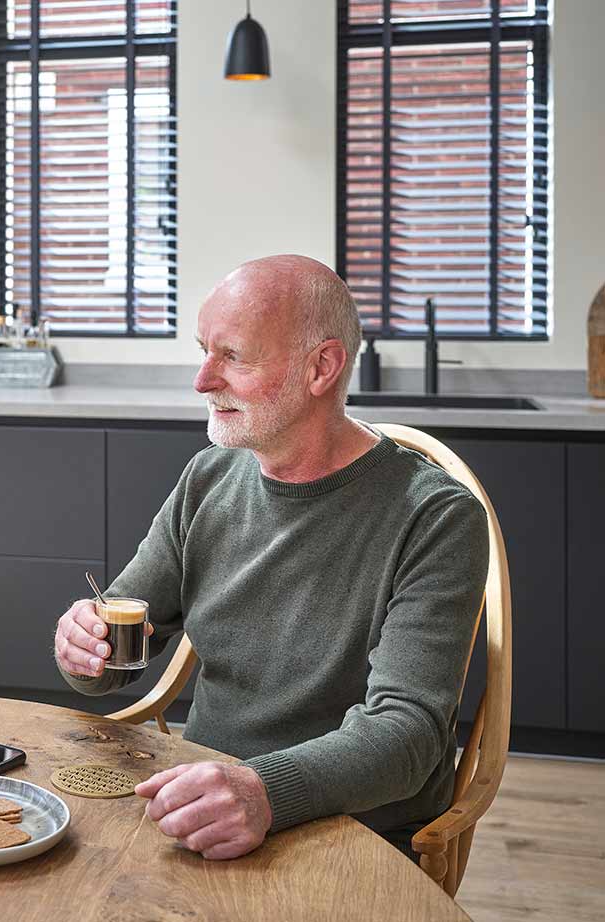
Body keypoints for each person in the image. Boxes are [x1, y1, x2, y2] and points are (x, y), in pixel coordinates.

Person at [54, 255, 487, 861]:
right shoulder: (208, 479)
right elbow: (117, 648)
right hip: (200, 803)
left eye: (232, 356)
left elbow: (406, 735)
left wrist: (265, 792)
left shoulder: (436, 515)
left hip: (352, 830)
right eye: (204, 350)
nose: (203, 380)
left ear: (322, 367)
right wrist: (83, 646)